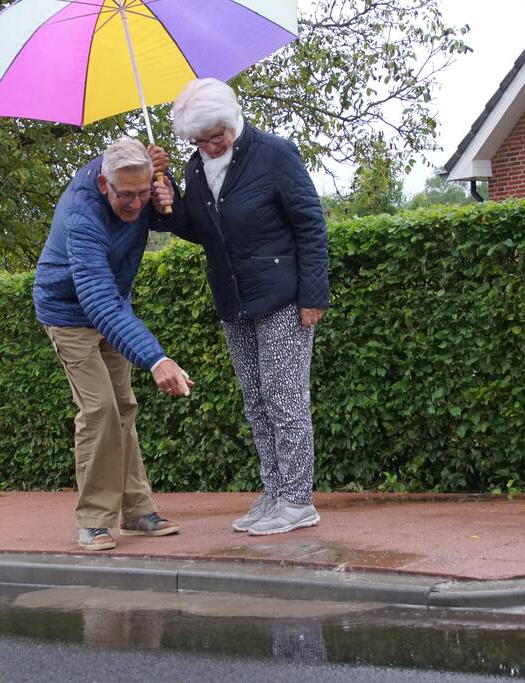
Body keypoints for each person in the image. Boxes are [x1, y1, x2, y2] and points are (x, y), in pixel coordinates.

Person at [151, 78, 329, 536]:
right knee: (256, 401)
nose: (209, 147)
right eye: (199, 141)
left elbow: (310, 224)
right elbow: (201, 231)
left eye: (216, 137)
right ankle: (274, 493)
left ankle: (297, 500)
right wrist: (168, 200)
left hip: (283, 297)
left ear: (232, 121)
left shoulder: (275, 154)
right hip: (234, 299)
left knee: (285, 399)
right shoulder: (195, 168)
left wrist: (314, 295)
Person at [33, 137, 193, 551]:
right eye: (127, 196)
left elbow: (173, 222)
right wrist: (155, 358)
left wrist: (167, 191)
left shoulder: (139, 185)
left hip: (113, 305)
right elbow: (97, 300)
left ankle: (138, 512)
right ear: (105, 185)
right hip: (69, 312)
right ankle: (93, 520)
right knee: (100, 409)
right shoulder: (82, 214)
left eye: (142, 193)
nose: (136, 204)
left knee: (123, 406)